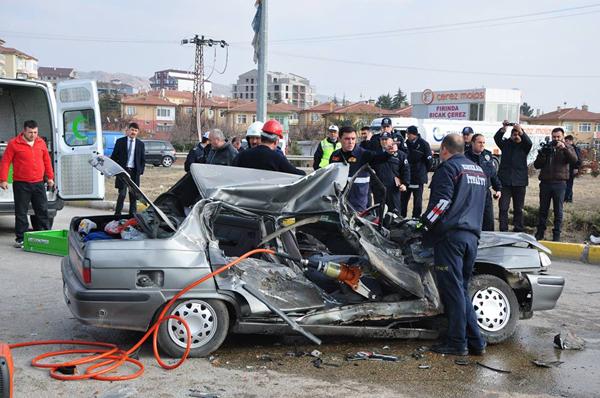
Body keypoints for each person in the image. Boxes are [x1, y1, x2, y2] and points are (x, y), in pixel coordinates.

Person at [421, 134, 487, 356]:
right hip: (472, 237)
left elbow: (441, 203)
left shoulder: (448, 169)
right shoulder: (478, 170)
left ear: (445, 150)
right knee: (461, 289)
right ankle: (476, 342)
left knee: (453, 292)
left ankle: (457, 343)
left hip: (451, 238)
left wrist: (422, 226)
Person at [0, 120, 54, 248]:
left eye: (35, 132)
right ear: (24, 131)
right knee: (21, 212)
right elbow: (5, 162)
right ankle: (21, 238)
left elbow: (46, 160)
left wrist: (50, 177)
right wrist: (3, 179)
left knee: (42, 210)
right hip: (21, 184)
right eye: (30, 132)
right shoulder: (14, 143)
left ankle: (44, 235)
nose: (33, 135)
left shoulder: (41, 143)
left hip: (38, 183)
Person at [329, 126, 391, 212]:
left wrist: (388, 153)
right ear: (339, 139)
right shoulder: (335, 155)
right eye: (347, 139)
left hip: (358, 202)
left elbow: (378, 158)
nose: (350, 142)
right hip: (339, 201)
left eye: (353, 139)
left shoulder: (363, 154)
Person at [533, 128, 578, 242]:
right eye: (554, 137)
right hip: (545, 183)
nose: (556, 139)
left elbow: (574, 161)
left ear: (563, 137)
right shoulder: (547, 147)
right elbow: (537, 165)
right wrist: (543, 154)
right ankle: (540, 233)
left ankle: (556, 235)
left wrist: (564, 149)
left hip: (560, 183)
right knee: (543, 210)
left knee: (558, 210)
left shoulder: (569, 148)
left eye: (558, 137)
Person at [494, 121, 532, 232]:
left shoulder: (525, 147)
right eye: (514, 134)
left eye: (518, 134)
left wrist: (520, 130)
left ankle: (518, 230)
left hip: (520, 183)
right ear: (510, 136)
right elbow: (497, 138)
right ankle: (503, 230)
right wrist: (504, 128)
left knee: (518, 209)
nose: (516, 136)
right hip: (505, 183)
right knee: (503, 208)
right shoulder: (506, 145)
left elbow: (529, 142)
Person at [233, 119, 305, 175]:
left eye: (256, 138)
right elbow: (298, 174)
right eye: (252, 138)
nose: (254, 141)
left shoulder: (241, 155)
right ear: (276, 141)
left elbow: (232, 172)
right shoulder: (277, 158)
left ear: (262, 137)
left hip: (244, 193)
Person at [465, 134, 502, 231]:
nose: (482, 145)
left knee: (488, 220)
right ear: (472, 143)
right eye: (479, 142)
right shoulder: (465, 157)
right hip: (472, 193)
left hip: (485, 193)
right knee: (473, 220)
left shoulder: (487, 155)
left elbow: (492, 173)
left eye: (483, 143)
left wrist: (498, 189)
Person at [111, 122, 145, 216]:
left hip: (134, 172)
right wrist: (115, 169)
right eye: (132, 130)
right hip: (122, 172)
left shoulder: (140, 144)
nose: (133, 132)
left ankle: (132, 216)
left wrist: (140, 171)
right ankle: (117, 215)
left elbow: (143, 160)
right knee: (122, 194)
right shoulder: (120, 142)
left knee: (133, 195)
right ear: (128, 130)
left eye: (135, 130)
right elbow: (114, 157)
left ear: (137, 132)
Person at [372, 132, 410, 213]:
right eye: (382, 139)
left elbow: (406, 170)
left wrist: (405, 183)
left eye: (386, 139)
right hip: (379, 188)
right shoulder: (376, 152)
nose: (384, 141)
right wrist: (388, 153)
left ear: (391, 140)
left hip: (393, 189)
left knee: (394, 213)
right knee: (380, 213)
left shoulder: (400, 154)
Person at [401, 126, 433, 218]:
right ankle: (402, 217)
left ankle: (416, 218)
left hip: (418, 177)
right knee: (403, 200)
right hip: (407, 177)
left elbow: (429, 161)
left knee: (417, 200)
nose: (407, 136)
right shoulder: (406, 144)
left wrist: (423, 171)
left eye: (408, 134)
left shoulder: (423, 144)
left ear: (413, 134)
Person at [564, 135, 582, 203]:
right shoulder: (566, 148)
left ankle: (567, 199)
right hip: (566, 169)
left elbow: (579, 159)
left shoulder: (575, 148)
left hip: (572, 169)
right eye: (565, 141)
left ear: (571, 141)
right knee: (567, 184)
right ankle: (568, 199)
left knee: (569, 184)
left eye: (567, 141)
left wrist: (576, 168)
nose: (565, 142)